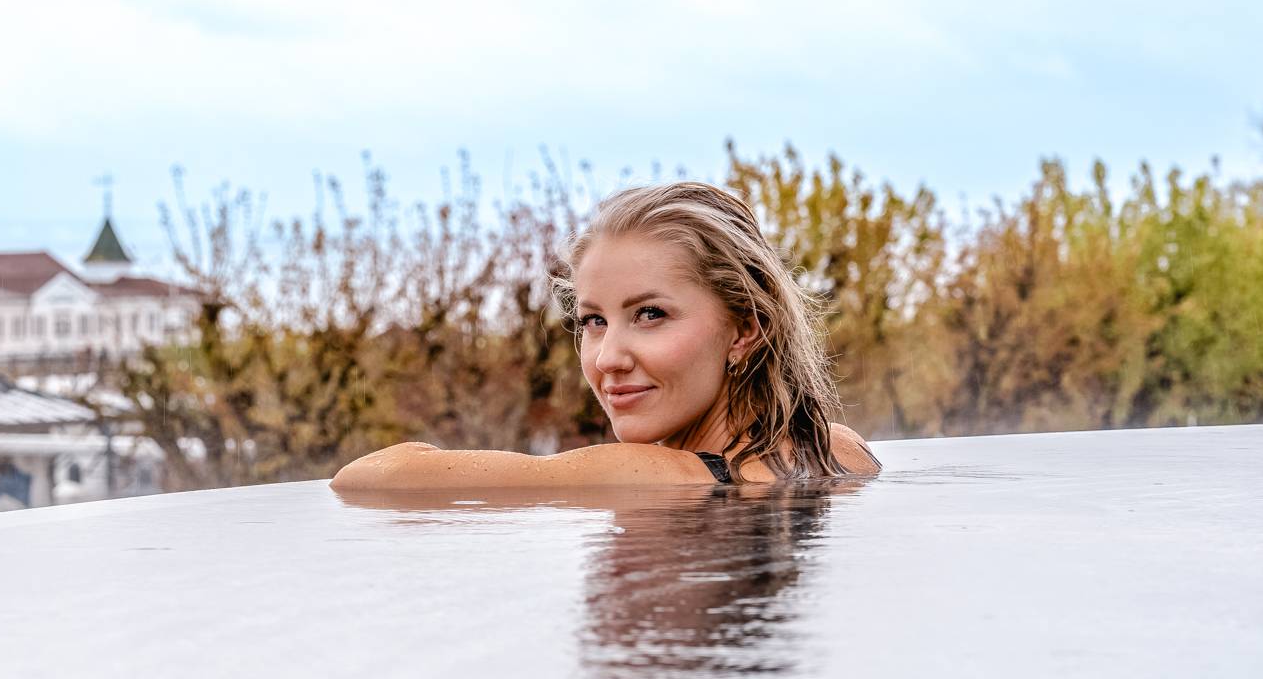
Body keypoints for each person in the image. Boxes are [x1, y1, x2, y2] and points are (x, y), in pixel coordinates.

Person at [330, 181, 880, 491]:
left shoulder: (662, 477)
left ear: (745, 330)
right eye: (594, 321)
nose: (608, 359)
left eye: (650, 315)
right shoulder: (837, 447)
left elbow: (365, 477)